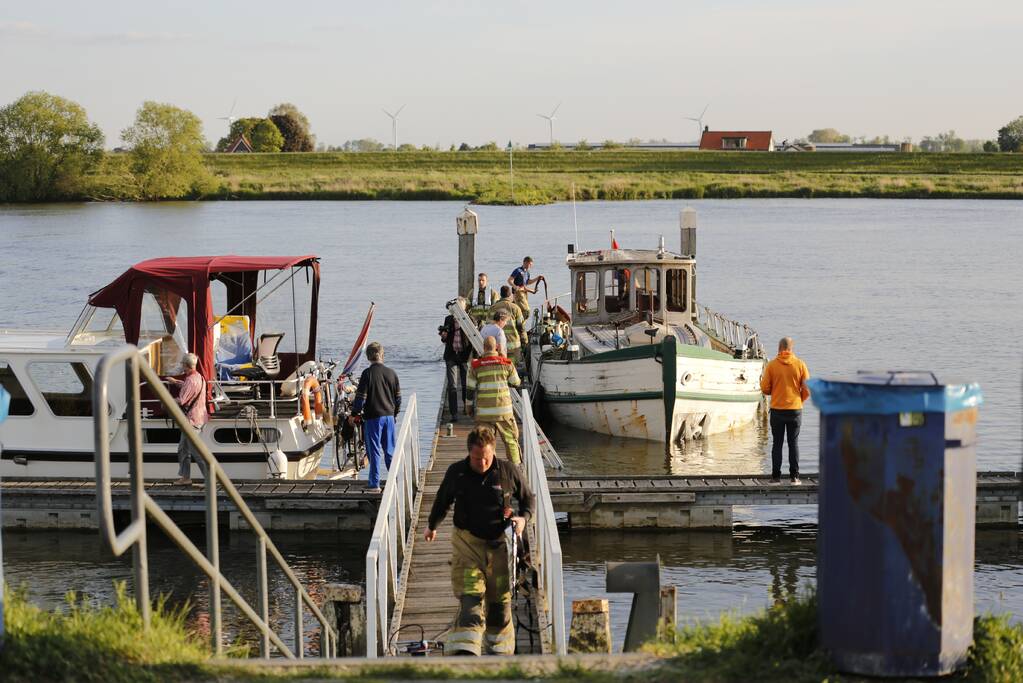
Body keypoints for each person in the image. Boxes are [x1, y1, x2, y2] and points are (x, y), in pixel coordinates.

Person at [424, 425, 535, 656]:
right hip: (468, 544)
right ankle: (464, 652)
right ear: (469, 453)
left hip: (499, 546)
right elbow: (442, 500)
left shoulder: (507, 471)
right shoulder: (457, 472)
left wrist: (523, 519)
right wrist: (432, 526)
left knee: (499, 606)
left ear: (493, 452)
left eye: (485, 458)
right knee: (470, 600)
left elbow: (528, 499)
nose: (481, 464)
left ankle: (499, 652)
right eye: (476, 459)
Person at [351, 342, 402, 493]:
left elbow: (361, 398)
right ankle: (396, 481)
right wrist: (394, 414)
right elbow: (398, 399)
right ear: (382, 355)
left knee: (374, 451)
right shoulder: (392, 373)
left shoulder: (367, 374)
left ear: (368, 357)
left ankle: (374, 483)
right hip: (389, 417)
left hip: (373, 417)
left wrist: (354, 414)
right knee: (390, 451)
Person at [760, 337, 811, 485]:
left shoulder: (772, 365)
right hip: (795, 410)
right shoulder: (800, 364)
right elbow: (807, 388)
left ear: (779, 348)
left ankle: (776, 478)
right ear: (791, 349)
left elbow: (764, 388)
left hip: (777, 410)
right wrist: (799, 400)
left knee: (777, 443)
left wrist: (774, 392)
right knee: (793, 443)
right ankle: (794, 477)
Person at [467, 335, 521, 464]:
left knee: (485, 443)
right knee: (511, 441)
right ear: (496, 347)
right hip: (504, 412)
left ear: (484, 348)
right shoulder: (506, 363)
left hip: (484, 413)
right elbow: (516, 382)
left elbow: (470, 389)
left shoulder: (475, 365)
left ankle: (491, 469)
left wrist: (468, 406)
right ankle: (516, 468)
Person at [170, 353, 209, 485]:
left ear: (185, 365)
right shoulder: (198, 377)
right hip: (196, 418)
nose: (181, 365)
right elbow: (189, 387)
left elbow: (181, 401)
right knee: (183, 449)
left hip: (192, 420)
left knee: (194, 451)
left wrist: (166, 399)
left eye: (182, 363)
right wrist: (176, 382)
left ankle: (209, 478)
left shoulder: (191, 380)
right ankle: (185, 478)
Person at [440, 299, 472, 420]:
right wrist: (443, 336)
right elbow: (444, 339)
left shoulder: (469, 320)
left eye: (460, 308)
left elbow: (472, 339)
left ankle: (465, 406)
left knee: (465, 384)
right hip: (451, 355)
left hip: (464, 356)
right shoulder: (448, 319)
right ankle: (454, 414)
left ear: (464, 309)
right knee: (452, 386)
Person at [490, 286, 527, 367]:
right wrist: (525, 342)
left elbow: (488, 326)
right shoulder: (515, 308)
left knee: (500, 368)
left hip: (498, 346)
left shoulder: (492, 308)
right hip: (514, 346)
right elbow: (521, 327)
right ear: (510, 295)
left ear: (500, 295)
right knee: (512, 368)